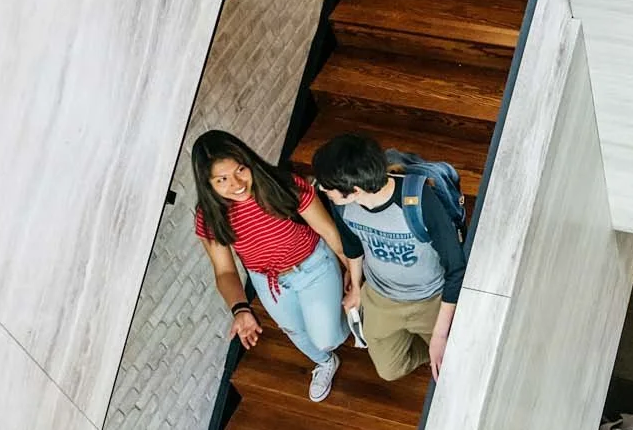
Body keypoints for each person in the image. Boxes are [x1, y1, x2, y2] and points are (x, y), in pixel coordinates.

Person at [191, 130, 357, 402]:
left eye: (240, 170)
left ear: (249, 162)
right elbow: (224, 271)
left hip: (312, 265)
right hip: (267, 279)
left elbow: (328, 232)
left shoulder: (284, 185)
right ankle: (325, 362)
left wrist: (351, 269)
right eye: (222, 180)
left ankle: (339, 322)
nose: (236, 184)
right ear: (207, 184)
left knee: (327, 338)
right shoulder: (209, 217)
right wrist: (240, 308)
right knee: (294, 330)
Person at [311, 133, 468, 382]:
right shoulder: (343, 206)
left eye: (327, 186)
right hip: (380, 297)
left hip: (430, 299)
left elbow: (456, 268)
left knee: (454, 362)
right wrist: (355, 288)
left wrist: (439, 335)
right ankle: (424, 346)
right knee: (389, 371)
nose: (321, 189)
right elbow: (353, 247)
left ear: (354, 190)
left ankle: (430, 343)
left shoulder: (420, 201)